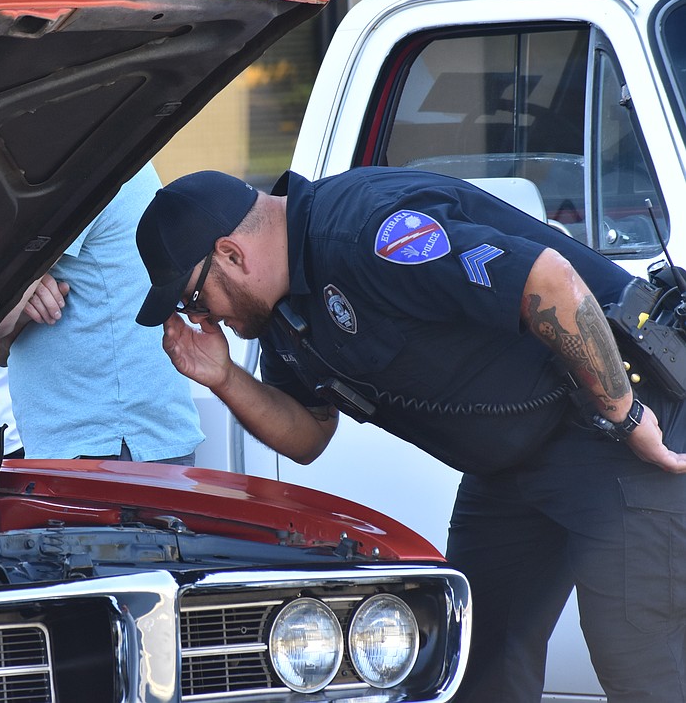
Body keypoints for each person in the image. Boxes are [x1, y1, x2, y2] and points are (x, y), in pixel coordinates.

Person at [134, 166, 686, 702]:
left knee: (640, 661)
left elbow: (550, 281)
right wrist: (225, 378)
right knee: (473, 663)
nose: (202, 317)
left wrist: (626, 414)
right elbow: (309, 436)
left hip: (611, 421)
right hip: (511, 463)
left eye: (195, 299)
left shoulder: (363, 232)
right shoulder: (280, 314)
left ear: (232, 254)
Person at [0, 163, 204, 464]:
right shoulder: (87, 159)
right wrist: (22, 310)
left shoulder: (82, 171)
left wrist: (9, 305)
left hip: (112, 446)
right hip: (92, 444)